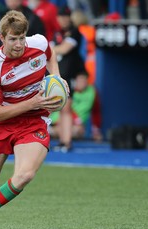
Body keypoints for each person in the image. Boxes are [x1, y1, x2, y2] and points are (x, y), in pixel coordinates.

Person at [0, 10, 69, 229]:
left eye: (22, 38)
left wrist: (56, 79)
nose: (19, 44)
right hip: (2, 123)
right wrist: (32, 101)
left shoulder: (38, 43)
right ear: (2, 38)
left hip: (34, 120)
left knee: (25, 174)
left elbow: (50, 55)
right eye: (13, 39)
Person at [52, 5, 86, 152]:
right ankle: (62, 140)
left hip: (69, 74)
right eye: (61, 17)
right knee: (59, 109)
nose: (63, 20)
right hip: (57, 74)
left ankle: (67, 141)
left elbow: (64, 49)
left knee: (66, 108)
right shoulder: (57, 33)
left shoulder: (74, 32)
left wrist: (51, 49)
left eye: (65, 17)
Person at [49, 70, 101, 140]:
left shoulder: (92, 92)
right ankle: (51, 131)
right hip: (58, 121)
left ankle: (56, 133)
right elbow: (66, 109)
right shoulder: (67, 90)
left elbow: (96, 112)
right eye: (79, 80)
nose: (82, 83)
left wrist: (96, 131)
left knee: (77, 130)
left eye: (84, 80)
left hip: (77, 126)